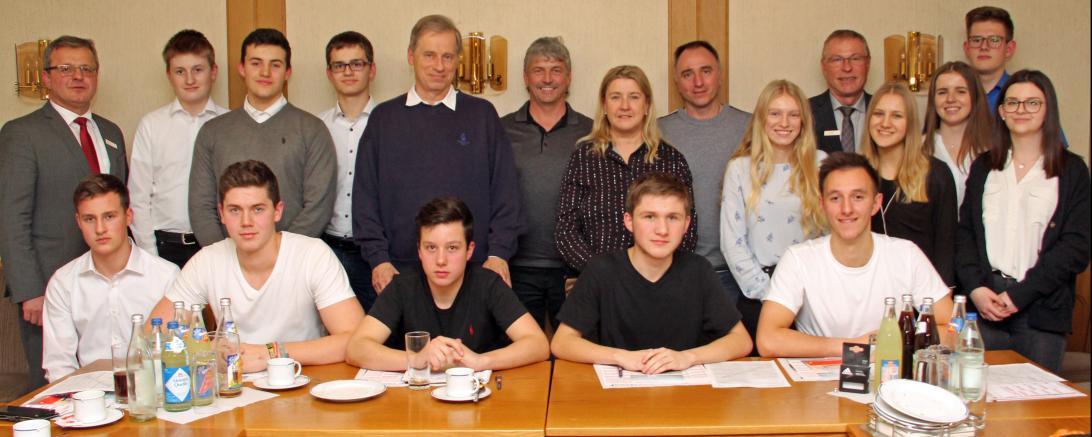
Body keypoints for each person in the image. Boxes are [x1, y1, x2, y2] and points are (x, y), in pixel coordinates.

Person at [355, 14, 520, 293]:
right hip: (398, 271)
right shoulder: (384, 118)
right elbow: (365, 197)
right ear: (411, 56)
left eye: (447, 57)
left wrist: (498, 253)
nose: (439, 66)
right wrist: (378, 259)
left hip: (474, 271)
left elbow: (506, 191)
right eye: (429, 55)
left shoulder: (482, 116)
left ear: (458, 60)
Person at [0, 35, 128, 391]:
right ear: (46, 77)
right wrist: (29, 290)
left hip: (108, 280)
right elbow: (11, 218)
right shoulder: (22, 134)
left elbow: (119, 206)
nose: (78, 76)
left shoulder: (111, 132)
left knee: (111, 375)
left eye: (87, 68)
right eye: (66, 68)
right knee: (53, 385)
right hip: (48, 284)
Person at [150, 160, 364, 372]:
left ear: (277, 211)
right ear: (221, 214)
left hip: (302, 380)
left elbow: (355, 341)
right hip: (235, 385)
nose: (246, 221)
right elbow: (152, 338)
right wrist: (207, 348)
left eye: (258, 209)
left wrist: (269, 353)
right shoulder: (206, 261)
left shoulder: (312, 254)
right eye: (235, 210)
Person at [956, 70, 1090, 373]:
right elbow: (965, 234)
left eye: (1032, 103)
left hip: (1041, 310)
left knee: (1035, 400)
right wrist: (975, 288)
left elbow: (1076, 247)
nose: (1021, 110)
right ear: (1002, 111)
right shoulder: (984, 166)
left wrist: (1020, 295)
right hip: (986, 306)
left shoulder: (1072, 170)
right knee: (977, 393)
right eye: (1013, 102)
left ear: (1048, 110)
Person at [552, 172, 752, 373]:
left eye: (672, 218)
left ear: (686, 224)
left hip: (685, 388)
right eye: (649, 217)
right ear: (629, 221)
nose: (662, 230)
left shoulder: (699, 270)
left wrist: (687, 358)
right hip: (618, 386)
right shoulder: (601, 270)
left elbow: (741, 340)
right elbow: (562, 342)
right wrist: (620, 357)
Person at [757, 152, 953, 358]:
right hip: (819, 375)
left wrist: (894, 341)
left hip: (887, 371)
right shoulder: (798, 259)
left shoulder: (906, 255)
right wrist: (855, 346)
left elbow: (954, 329)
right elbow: (767, 340)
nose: (846, 209)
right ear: (822, 204)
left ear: (876, 203)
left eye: (858, 197)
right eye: (835, 198)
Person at [346, 198, 548, 371]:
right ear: (419, 251)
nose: (441, 260)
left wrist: (480, 361)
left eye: (452, 248)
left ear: (469, 250)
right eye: (431, 248)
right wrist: (418, 358)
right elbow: (356, 348)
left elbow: (538, 344)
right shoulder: (402, 286)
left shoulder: (488, 284)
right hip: (416, 399)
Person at [189, 28, 337, 247]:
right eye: (256, 63)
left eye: (275, 65)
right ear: (242, 68)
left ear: (287, 72)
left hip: (292, 259)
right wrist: (224, 258)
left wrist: (281, 255)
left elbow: (318, 207)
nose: (265, 72)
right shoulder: (212, 131)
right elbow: (201, 206)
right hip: (227, 260)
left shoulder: (312, 130)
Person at [556, 65, 696, 274]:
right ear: (604, 105)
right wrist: (601, 272)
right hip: (597, 281)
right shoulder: (583, 158)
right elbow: (565, 231)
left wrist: (651, 273)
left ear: (646, 105)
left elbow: (687, 230)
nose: (624, 106)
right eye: (615, 97)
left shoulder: (672, 161)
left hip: (657, 281)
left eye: (634, 97)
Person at [42, 175, 179, 382]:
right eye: (89, 219)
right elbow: (59, 366)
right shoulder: (63, 283)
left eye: (109, 217)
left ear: (128, 216)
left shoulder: (166, 276)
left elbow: (180, 353)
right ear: (78, 222)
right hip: (88, 394)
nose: (100, 229)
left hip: (154, 390)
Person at [721, 79, 826, 341]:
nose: (784, 123)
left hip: (813, 294)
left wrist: (808, 291)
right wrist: (774, 296)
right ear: (762, 119)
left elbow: (832, 234)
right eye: (775, 113)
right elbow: (732, 243)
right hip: (760, 295)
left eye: (793, 114)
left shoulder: (821, 164)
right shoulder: (739, 169)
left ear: (803, 121)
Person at [501, 36, 592, 329]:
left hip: (574, 267)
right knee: (522, 351)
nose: (548, 79)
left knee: (574, 349)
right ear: (525, 77)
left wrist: (591, 265)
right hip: (516, 266)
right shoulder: (501, 129)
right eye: (538, 70)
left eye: (556, 70)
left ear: (569, 77)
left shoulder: (592, 132)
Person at [658, 40, 751, 308]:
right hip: (675, 269)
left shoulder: (751, 126)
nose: (698, 82)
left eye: (706, 71)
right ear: (677, 81)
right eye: (688, 74)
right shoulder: (658, 132)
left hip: (739, 271)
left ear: (720, 75)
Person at [129, 29, 229, 268]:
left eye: (198, 70)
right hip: (166, 246)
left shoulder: (230, 124)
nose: (189, 80)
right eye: (180, 71)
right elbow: (138, 196)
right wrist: (150, 256)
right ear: (169, 75)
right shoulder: (152, 125)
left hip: (219, 244)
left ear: (213, 72)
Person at [862, 82, 958, 287]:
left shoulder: (936, 174)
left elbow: (946, 246)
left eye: (896, 116)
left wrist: (942, 296)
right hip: (868, 290)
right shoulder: (856, 173)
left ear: (910, 123)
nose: (885, 123)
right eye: (878, 114)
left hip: (919, 292)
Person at [317, 31, 379, 311]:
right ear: (329, 73)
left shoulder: (389, 122)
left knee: (380, 328)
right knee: (331, 328)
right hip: (328, 247)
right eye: (339, 65)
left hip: (375, 253)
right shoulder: (316, 127)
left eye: (357, 64)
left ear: (371, 70)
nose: (348, 72)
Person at [922, 61, 992, 208]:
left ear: (975, 96)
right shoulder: (918, 148)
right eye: (942, 92)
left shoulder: (992, 149)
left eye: (961, 91)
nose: (950, 99)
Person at [810, 30, 872, 155]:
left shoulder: (884, 112)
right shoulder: (804, 112)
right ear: (824, 66)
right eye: (837, 59)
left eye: (855, 58)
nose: (847, 68)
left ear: (868, 63)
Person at [963, 6, 1016, 114]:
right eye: (976, 40)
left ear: (1009, 49)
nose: (984, 47)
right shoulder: (953, 97)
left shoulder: (1024, 93)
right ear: (967, 48)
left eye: (994, 40)